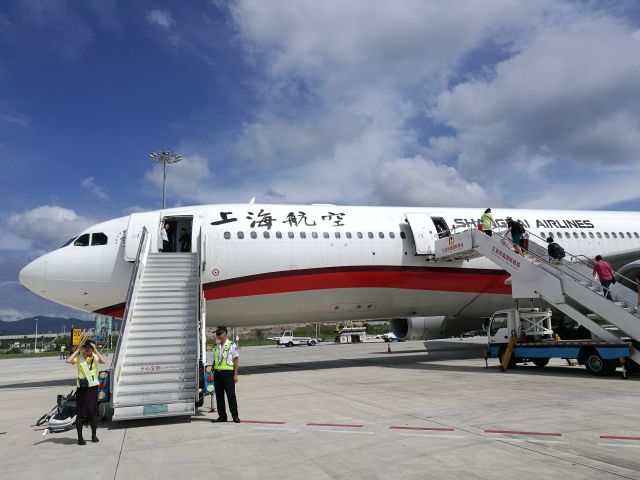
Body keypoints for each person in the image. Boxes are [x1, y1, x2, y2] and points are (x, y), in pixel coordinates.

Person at [66, 339, 106, 445]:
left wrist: (96, 350)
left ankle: (94, 435)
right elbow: (68, 360)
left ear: (92, 348)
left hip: (92, 388)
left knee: (93, 413)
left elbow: (103, 361)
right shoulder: (79, 358)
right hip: (82, 389)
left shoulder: (96, 357)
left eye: (90, 347)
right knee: (80, 414)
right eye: (85, 347)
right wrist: (77, 350)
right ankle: (80, 437)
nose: (87, 349)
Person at [211, 326, 240, 423]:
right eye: (217, 334)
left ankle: (235, 416)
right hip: (218, 374)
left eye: (219, 334)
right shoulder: (217, 346)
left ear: (225, 334)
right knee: (219, 396)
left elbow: (235, 360)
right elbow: (216, 360)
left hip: (228, 374)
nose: (217, 335)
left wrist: (235, 374)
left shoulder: (231, 345)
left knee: (231, 395)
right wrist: (212, 370)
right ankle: (222, 416)